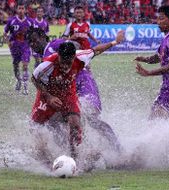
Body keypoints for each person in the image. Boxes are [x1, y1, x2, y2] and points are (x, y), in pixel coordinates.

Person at [30, 30, 125, 160]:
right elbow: (34, 79)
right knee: (37, 126)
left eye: (68, 63)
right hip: (49, 94)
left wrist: (115, 42)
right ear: (58, 57)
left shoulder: (81, 57)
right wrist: (49, 97)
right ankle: (46, 156)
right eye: (62, 62)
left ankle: (75, 156)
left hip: (68, 92)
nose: (65, 67)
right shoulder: (47, 64)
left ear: (74, 57)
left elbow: (96, 50)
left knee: (76, 122)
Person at [134, 5, 169, 120]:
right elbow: (159, 57)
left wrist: (149, 73)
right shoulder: (167, 38)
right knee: (153, 118)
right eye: (157, 18)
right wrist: (143, 59)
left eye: (161, 18)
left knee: (161, 118)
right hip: (167, 85)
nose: (158, 22)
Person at [3, 2, 33, 95]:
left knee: (25, 65)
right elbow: (4, 34)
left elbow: (34, 35)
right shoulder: (11, 21)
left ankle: (25, 87)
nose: (21, 10)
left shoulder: (30, 21)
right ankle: (19, 80)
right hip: (15, 47)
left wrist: (32, 43)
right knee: (16, 66)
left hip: (25, 46)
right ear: (16, 10)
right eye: (19, 8)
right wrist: (8, 43)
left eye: (22, 8)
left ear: (25, 10)